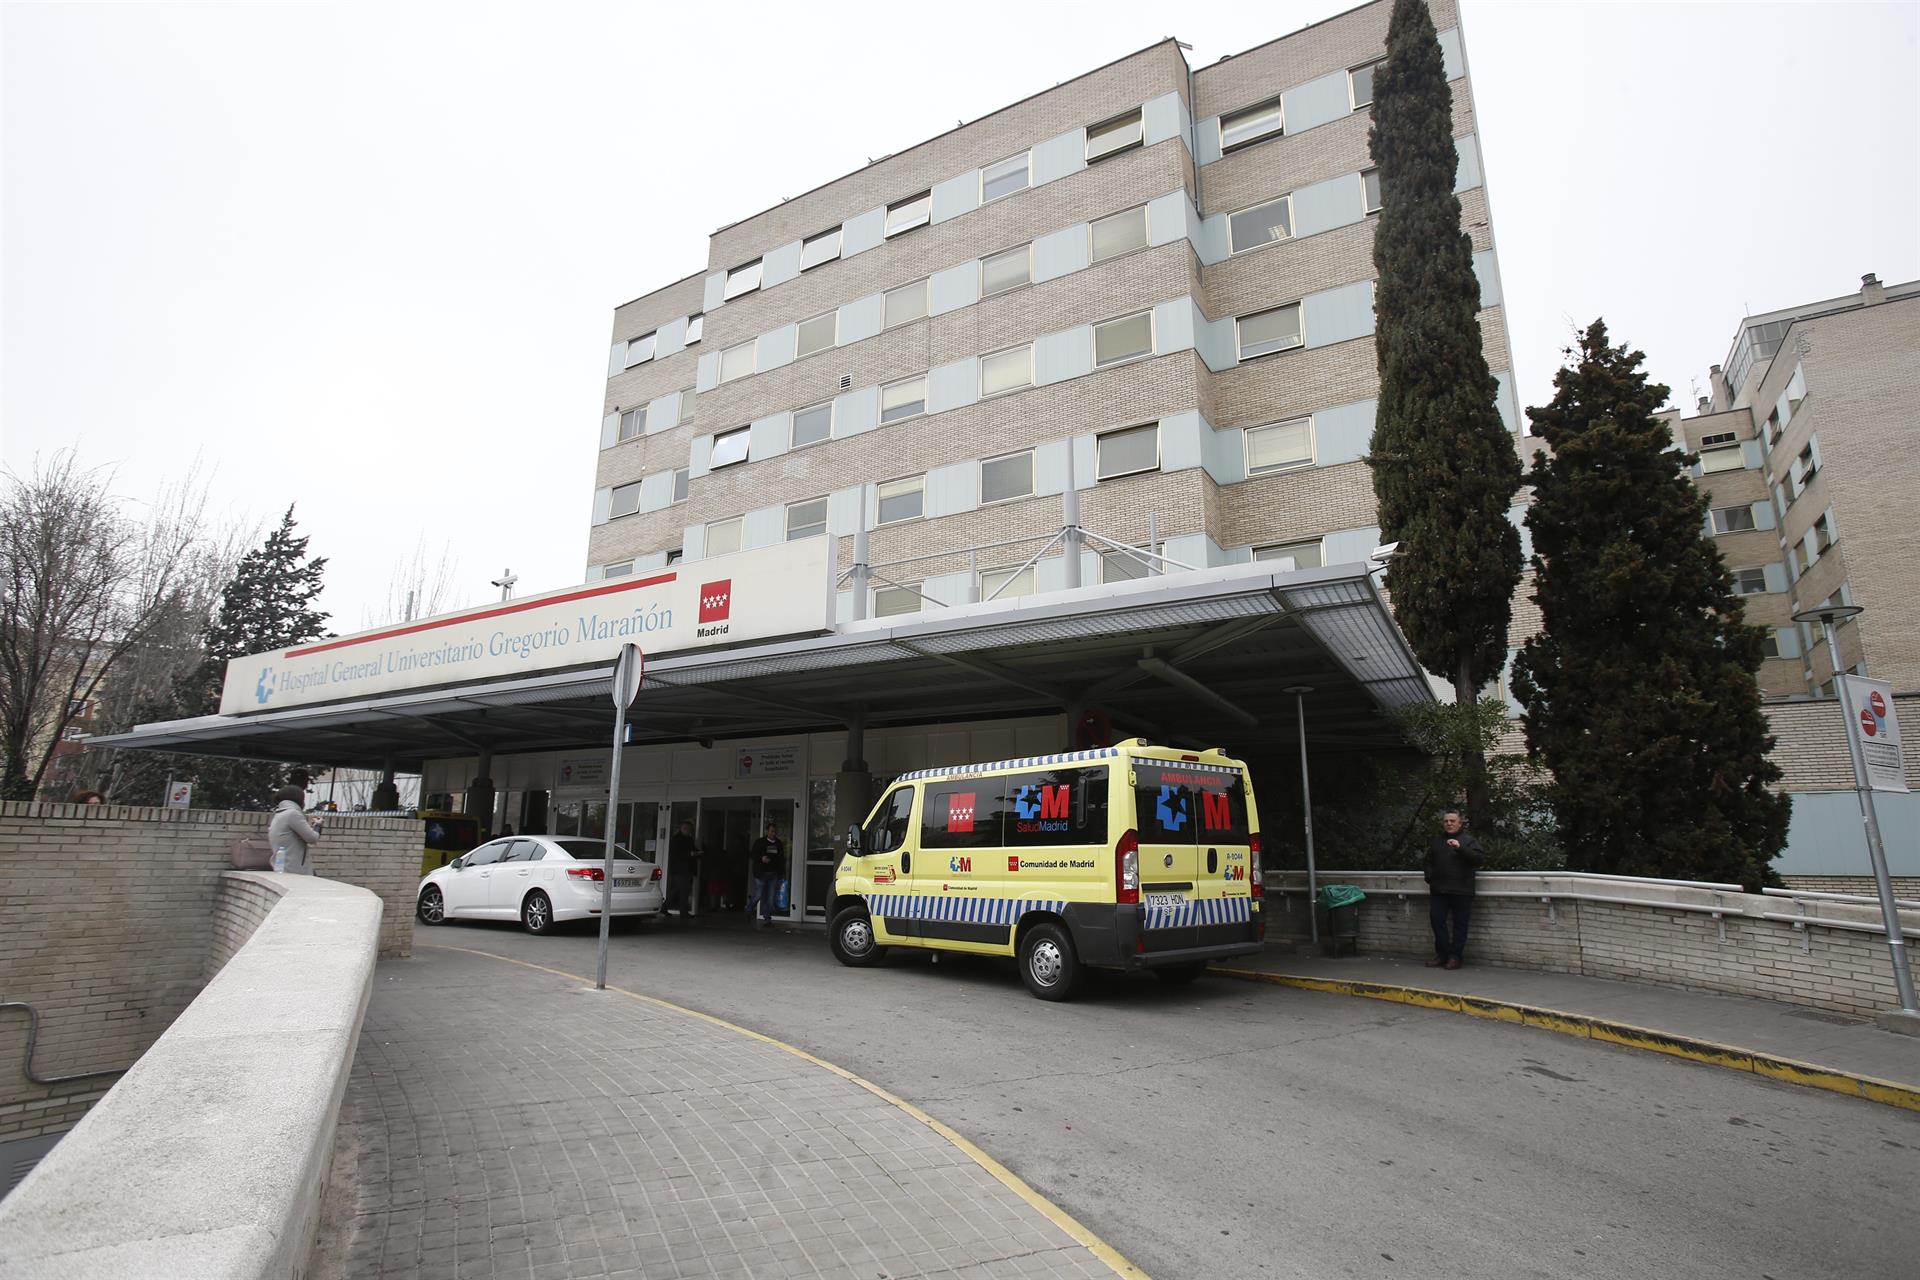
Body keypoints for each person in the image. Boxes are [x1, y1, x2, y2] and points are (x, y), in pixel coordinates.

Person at [1424, 809, 1484, 969]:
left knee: (1460, 925)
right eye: (1446, 821)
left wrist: (1460, 848)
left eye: (1452, 821)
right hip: (1439, 890)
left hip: (1461, 890)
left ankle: (1455, 957)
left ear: (1460, 823)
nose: (1449, 824)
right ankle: (1442, 954)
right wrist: (1430, 877)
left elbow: (1478, 860)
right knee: (1437, 921)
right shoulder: (1437, 841)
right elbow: (1428, 861)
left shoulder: (1469, 841)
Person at [268, 777, 324, 876]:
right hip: (294, 869)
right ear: (298, 799)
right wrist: (318, 825)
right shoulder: (293, 814)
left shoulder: (279, 814)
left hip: (282, 866)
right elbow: (312, 838)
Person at [747, 822, 785, 927]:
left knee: (771, 898)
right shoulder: (760, 842)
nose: (774, 833)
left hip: (773, 874)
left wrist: (781, 873)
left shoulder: (778, 844)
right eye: (772, 831)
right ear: (767, 831)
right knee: (759, 895)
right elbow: (752, 854)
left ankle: (767, 919)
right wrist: (761, 858)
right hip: (761, 873)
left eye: (775, 831)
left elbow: (781, 859)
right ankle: (749, 909)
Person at [665, 820, 698, 919]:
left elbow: (692, 849)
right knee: (683, 890)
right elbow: (676, 855)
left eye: (689, 829)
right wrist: (690, 854)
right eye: (685, 829)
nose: (687, 831)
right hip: (679, 869)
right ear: (681, 829)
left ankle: (664, 907)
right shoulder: (676, 840)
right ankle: (683, 912)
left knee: (677, 890)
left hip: (686, 868)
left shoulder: (689, 839)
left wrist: (697, 853)